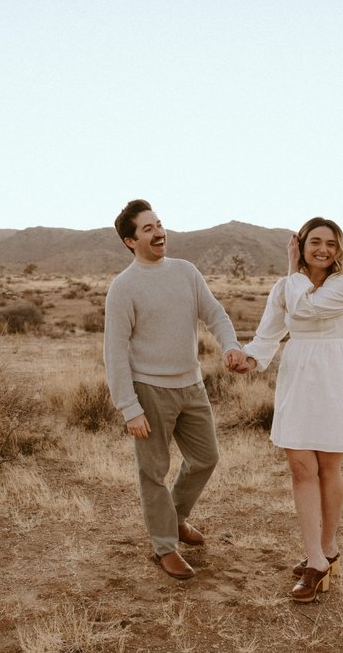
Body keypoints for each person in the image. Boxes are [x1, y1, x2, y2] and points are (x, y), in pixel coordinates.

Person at [103, 199, 247, 580]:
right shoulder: (123, 287)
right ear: (130, 242)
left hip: (192, 384)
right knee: (154, 471)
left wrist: (230, 344)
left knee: (205, 458)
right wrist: (128, 406)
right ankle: (164, 546)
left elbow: (214, 313)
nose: (158, 232)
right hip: (149, 390)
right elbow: (114, 350)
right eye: (147, 229)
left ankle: (176, 518)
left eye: (159, 224)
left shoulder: (186, 272)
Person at [232, 217, 343, 602]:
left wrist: (292, 269)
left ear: (340, 248)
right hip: (298, 374)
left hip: (332, 374)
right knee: (300, 467)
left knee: (329, 466)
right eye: (315, 242)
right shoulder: (285, 287)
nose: (323, 249)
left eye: (330, 243)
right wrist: (251, 359)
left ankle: (328, 546)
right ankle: (315, 559)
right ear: (302, 244)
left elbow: (306, 310)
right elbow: (270, 331)